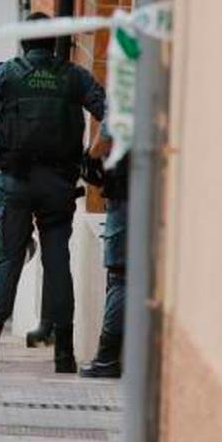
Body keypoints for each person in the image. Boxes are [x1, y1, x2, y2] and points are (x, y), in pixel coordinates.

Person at [0, 12, 106, 372]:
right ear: (55, 41)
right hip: (59, 186)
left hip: (16, 184)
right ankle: (65, 354)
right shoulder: (74, 77)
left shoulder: (6, 73)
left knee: (8, 264)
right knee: (58, 265)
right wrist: (90, 157)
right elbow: (113, 116)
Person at [80, 131, 127, 378]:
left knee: (120, 277)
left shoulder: (128, 95)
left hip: (125, 196)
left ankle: (107, 358)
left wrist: (90, 156)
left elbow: (103, 140)